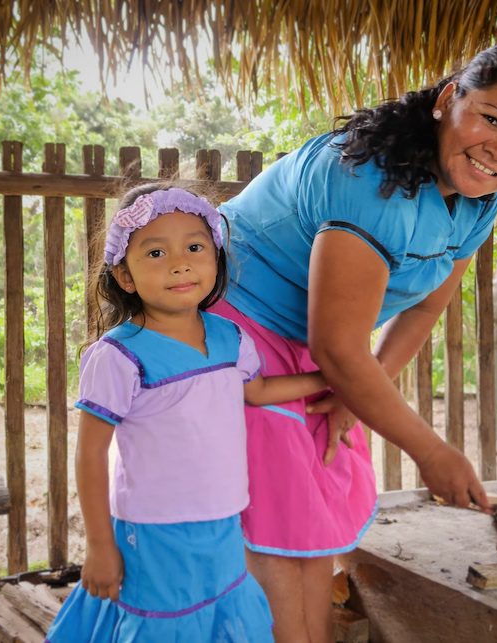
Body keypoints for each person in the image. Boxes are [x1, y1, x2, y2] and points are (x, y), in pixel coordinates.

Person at [210, 41, 497, 641]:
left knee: (314, 503)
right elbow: (338, 350)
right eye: (492, 119)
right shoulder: (368, 180)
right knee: (279, 507)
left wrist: (352, 394)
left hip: (307, 341)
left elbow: (425, 306)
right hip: (235, 324)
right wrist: (431, 452)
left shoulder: (478, 203)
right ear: (449, 99)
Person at [46, 185, 329, 642]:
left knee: (219, 614)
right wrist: (100, 546)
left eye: (195, 247)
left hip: (223, 521)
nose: (180, 263)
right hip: (155, 531)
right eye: (155, 252)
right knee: (165, 623)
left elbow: (256, 392)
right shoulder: (118, 356)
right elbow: (91, 455)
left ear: (215, 256)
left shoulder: (229, 338)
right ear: (125, 276)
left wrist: (329, 379)